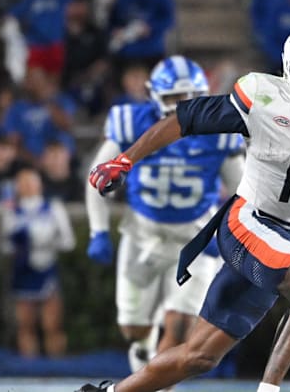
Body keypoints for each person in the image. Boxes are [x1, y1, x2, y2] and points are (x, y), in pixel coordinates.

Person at [79, 19, 290, 392]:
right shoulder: (262, 98)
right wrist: (126, 160)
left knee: (199, 356)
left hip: (286, 235)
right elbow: (184, 119)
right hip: (247, 222)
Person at [85, 55, 245, 377]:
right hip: (143, 233)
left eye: (188, 97)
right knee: (134, 328)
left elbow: (243, 189)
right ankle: (143, 352)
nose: (181, 105)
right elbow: (97, 176)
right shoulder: (131, 122)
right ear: (153, 95)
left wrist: (225, 235)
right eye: (173, 97)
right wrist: (98, 231)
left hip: (195, 237)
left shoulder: (219, 131)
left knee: (182, 328)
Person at [0, 167, 75, 357]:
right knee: (26, 325)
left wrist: (46, 242)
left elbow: (68, 242)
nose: (27, 186)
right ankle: (29, 372)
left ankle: (56, 369)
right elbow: (4, 246)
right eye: (22, 182)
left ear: (39, 184)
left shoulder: (53, 208)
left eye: (31, 181)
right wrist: (21, 245)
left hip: (47, 267)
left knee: (52, 325)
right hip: (23, 272)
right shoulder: (12, 212)